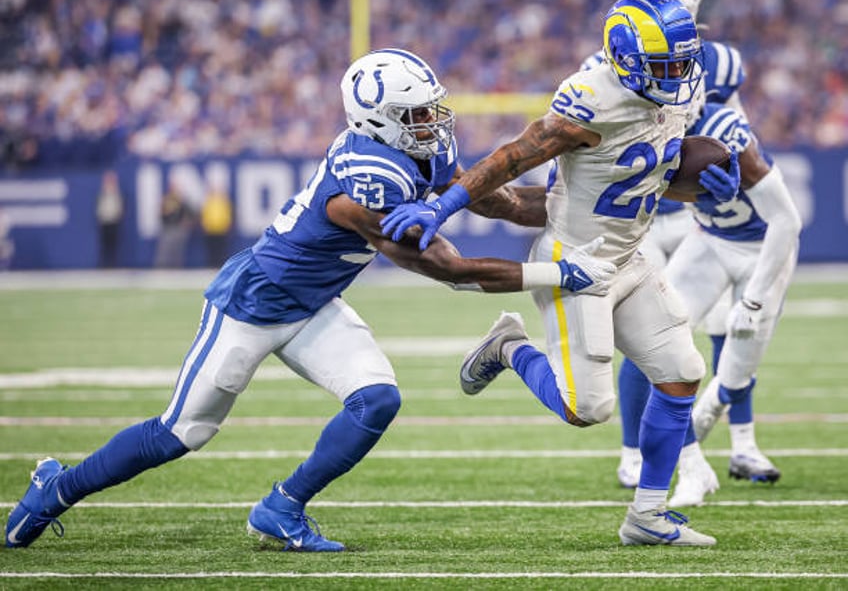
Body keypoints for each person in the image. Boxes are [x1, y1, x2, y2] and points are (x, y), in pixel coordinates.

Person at [5, 48, 613, 552]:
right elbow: (445, 268)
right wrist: (556, 276)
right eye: (417, 113)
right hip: (254, 303)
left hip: (314, 303)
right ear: (378, 120)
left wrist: (588, 207)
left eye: (432, 108)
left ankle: (282, 507)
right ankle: (56, 487)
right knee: (180, 433)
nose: (434, 121)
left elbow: (497, 202)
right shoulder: (368, 179)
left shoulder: (418, 151)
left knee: (376, 400)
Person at [381, 0, 742, 546]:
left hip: (631, 255)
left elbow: (655, 173)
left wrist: (712, 185)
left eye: (681, 64)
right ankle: (508, 347)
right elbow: (513, 157)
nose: (676, 77)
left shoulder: (677, 91)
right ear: (624, 58)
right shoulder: (592, 98)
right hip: (574, 260)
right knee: (587, 408)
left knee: (681, 373)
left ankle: (647, 515)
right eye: (663, 66)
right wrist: (440, 206)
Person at [580, 0, 756, 491]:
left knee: (727, 322)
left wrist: (728, 174)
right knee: (648, 333)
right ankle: (634, 451)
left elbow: (732, 135)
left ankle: (743, 443)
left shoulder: (719, 64)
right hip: (637, 216)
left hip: (691, 209)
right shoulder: (599, 73)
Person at [662, 90, 802, 507]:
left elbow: (786, 221)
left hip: (762, 249)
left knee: (736, 373)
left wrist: (755, 300)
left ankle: (715, 406)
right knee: (658, 337)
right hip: (708, 239)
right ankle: (691, 467)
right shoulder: (641, 124)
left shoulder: (724, 131)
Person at [153, 171, 196, 268]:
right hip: (168, 228)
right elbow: (160, 212)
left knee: (177, 250)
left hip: (178, 228)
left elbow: (191, 212)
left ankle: (176, 268)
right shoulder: (167, 199)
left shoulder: (181, 200)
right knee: (165, 250)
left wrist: (187, 223)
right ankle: (162, 267)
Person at [200, 176, 233, 268]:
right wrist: (205, 225)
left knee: (220, 249)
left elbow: (227, 213)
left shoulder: (223, 200)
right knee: (212, 249)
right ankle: (211, 264)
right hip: (210, 228)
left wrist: (227, 224)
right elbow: (205, 213)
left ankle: (219, 265)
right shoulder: (209, 200)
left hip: (221, 228)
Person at [96, 169, 124, 268]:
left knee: (113, 246)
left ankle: (113, 265)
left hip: (113, 223)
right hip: (105, 223)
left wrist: (115, 217)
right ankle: (104, 265)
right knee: (104, 245)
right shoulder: (102, 194)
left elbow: (119, 209)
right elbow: (100, 209)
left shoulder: (116, 195)